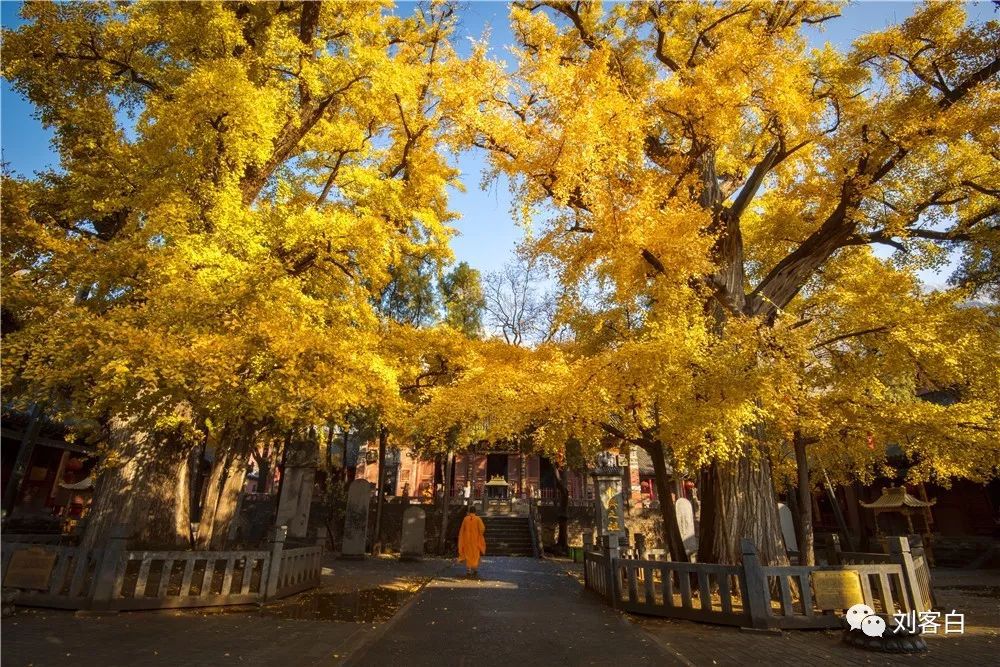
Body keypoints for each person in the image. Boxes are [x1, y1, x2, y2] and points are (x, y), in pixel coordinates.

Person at [457, 505, 486, 578]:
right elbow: (482, 529)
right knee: (475, 554)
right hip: (475, 540)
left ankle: (469, 570)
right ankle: (475, 569)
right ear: (475, 512)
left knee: (468, 554)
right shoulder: (478, 519)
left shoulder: (465, 519)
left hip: (467, 540)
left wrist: (462, 538)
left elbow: (462, 530)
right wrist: (479, 534)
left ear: (469, 512)